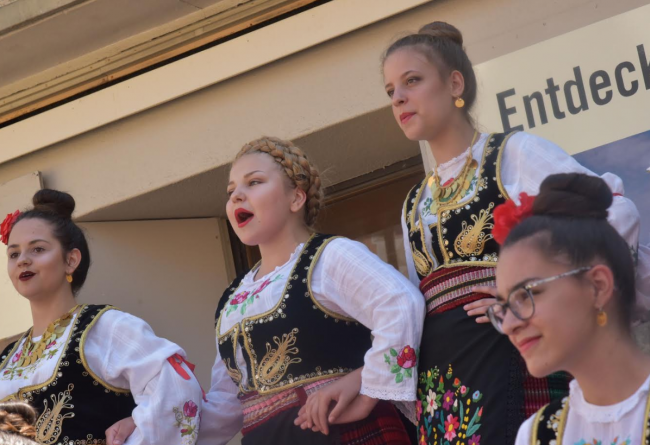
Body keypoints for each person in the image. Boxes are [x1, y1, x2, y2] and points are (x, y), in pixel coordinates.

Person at [380, 21, 648, 444]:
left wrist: (519, 293)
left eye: (411, 81)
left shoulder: (514, 154)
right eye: (390, 89)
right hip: (445, 390)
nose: (398, 97)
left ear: (455, 83)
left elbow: (612, 213)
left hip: (512, 365)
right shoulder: (414, 202)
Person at [194, 136, 425, 445]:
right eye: (231, 190)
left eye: (254, 182)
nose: (237, 196)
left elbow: (400, 304)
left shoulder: (330, 257)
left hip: (340, 433)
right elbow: (227, 402)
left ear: (296, 198)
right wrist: (148, 426)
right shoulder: (232, 300)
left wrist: (367, 386)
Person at [0, 190, 204, 445]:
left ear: (71, 260)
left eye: (37, 249)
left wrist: (136, 432)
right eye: (14, 254)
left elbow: (177, 391)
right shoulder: (8, 358)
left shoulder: (107, 328)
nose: (23, 261)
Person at [487, 173, 650, 444]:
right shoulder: (536, 434)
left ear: (597, 286)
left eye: (527, 294)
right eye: (503, 307)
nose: (508, 325)